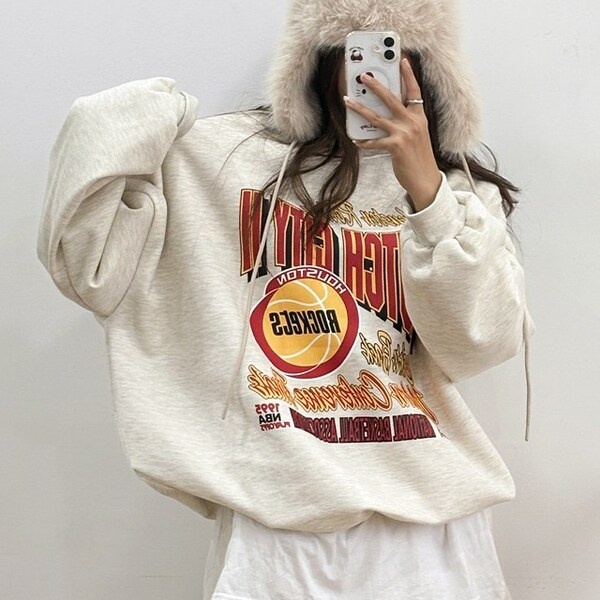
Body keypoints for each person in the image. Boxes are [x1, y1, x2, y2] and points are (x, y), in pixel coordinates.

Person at [37, 0, 535, 598]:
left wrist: (427, 193)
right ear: (315, 58)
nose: (374, 72)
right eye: (355, 51)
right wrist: (145, 112)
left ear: (433, 70)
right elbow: (87, 266)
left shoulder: (457, 197)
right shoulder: (225, 163)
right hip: (275, 524)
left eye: (396, 53)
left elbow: (481, 342)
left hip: (431, 528)